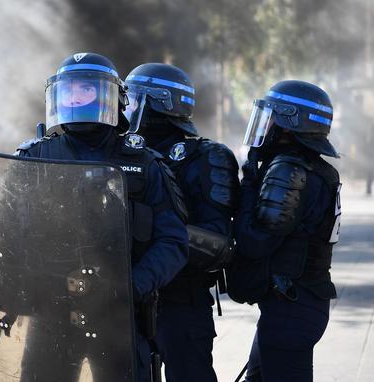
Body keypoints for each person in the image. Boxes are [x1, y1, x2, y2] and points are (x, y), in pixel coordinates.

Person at [15, 53, 189, 381]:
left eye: (87, 90)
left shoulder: (145, 164)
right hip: (52, 313)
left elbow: (173, 242)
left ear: (113, 98)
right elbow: (6, 233)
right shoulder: (34, 158)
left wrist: (129, 288)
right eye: (69, 91)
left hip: (118, 315)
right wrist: (20, 286)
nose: (76, 98)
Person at [124, 63, 239, 382]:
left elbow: (218, 242)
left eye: (132, 98)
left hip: (180, 300)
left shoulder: (205, 157)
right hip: (130, 296)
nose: (126, 107)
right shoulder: (124, 153)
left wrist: (158, 240)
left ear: (157, 102)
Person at [228, 80, 342, 381]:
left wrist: (249, 181)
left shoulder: (289, 170)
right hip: (296, 306)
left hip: (291, 310)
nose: (265, 127)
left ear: (290, 125)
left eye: (272, 118)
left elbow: (254, 241)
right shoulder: (314, 168)